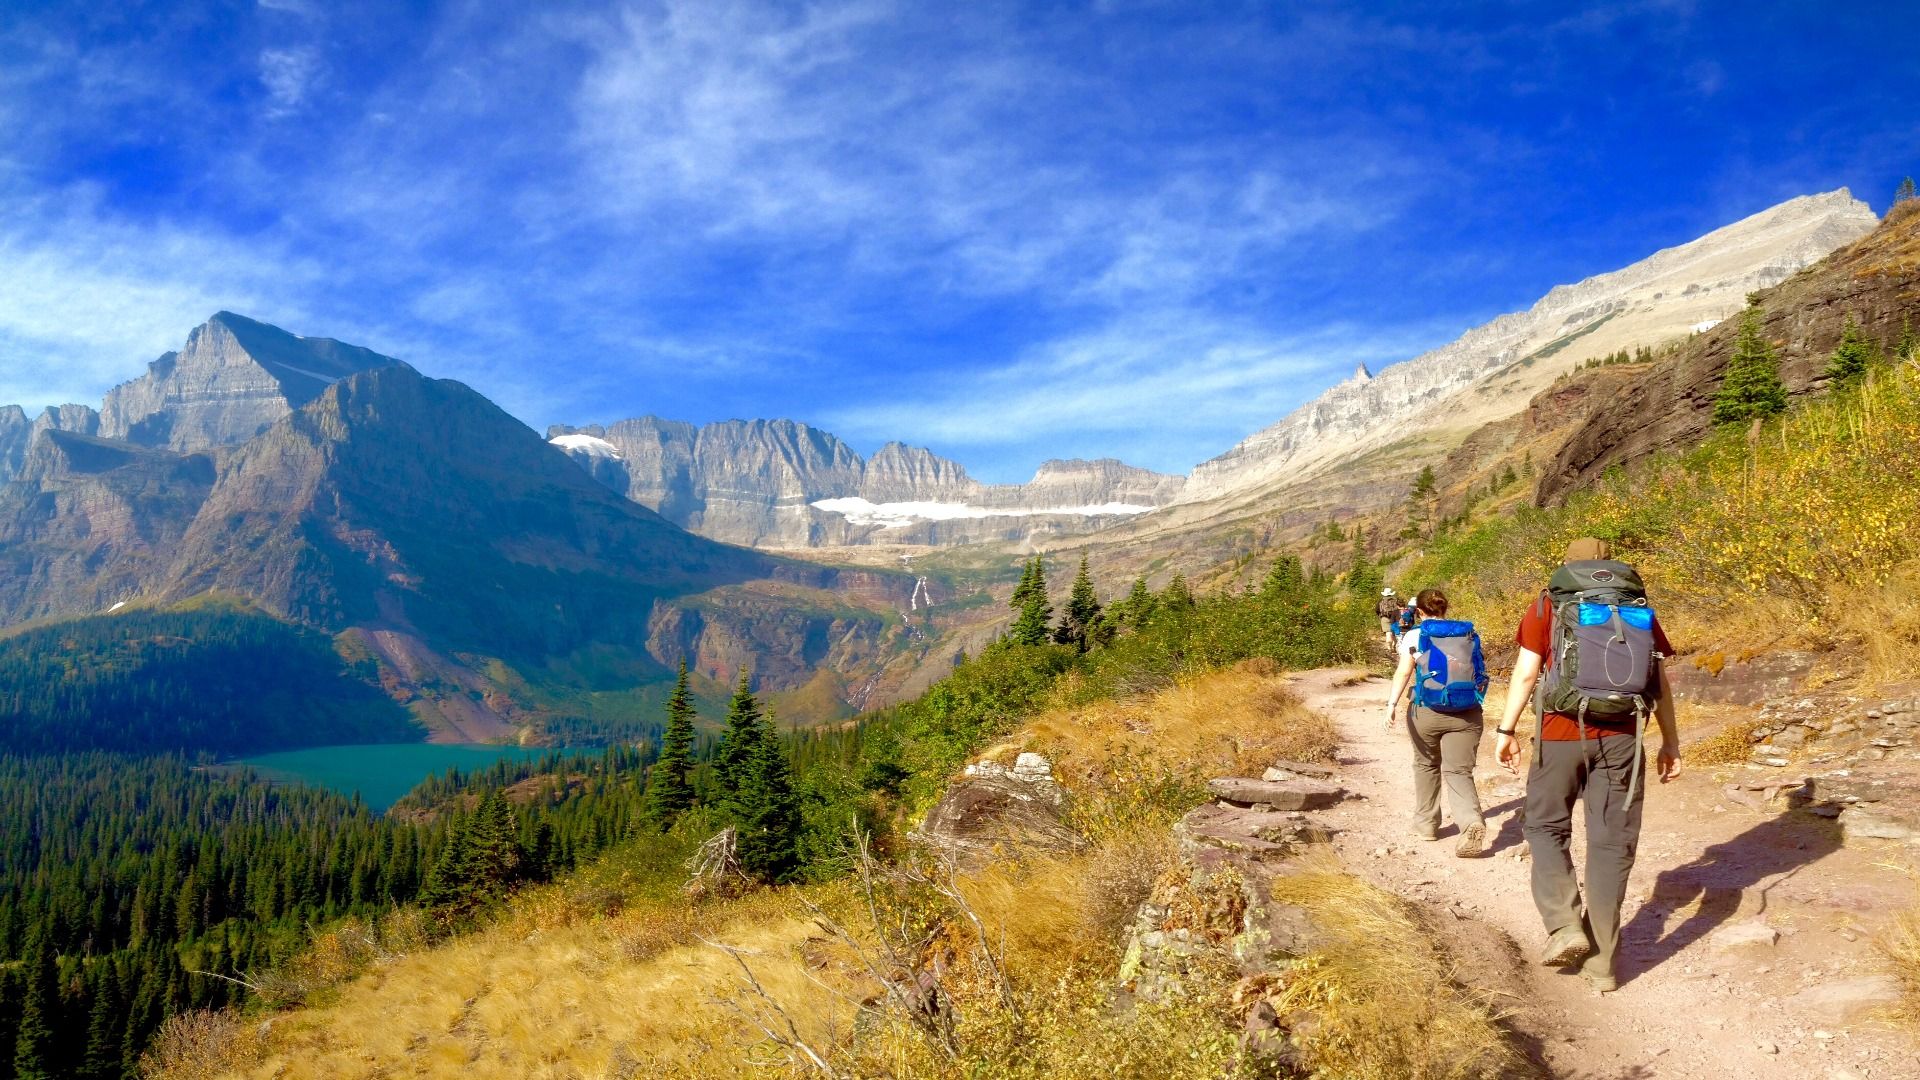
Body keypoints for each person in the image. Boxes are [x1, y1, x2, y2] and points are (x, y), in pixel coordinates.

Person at [1495, 538, 1682, 994]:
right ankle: (1603, 965)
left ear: (1568, 566)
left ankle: (1564, 925)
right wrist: (1670, 742)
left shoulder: (1548, 603)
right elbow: (1658, 680)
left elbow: (1526, 672)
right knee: (1611, 844)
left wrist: (1506, 729)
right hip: (1623, 738)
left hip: (1560, 733)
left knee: (1544, 826)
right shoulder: (1636, 607)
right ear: (1610, 564)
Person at [1384, 588, 1488, 857]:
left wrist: (1391, 705)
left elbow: (1404, 672)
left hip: (1426, 711)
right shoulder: (1468, 634)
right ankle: (1470, 823)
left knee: (1426, 764)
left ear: (1419, 611)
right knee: (1459, 772)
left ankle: (1426, 825)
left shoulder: (1415, 635)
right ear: (1445, 607)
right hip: (1467, 712)